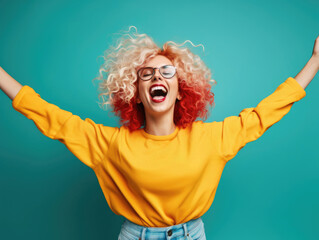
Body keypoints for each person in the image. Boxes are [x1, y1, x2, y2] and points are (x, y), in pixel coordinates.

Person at [1, 26, 318, 240]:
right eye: (146, 74)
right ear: (135, 93)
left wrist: (315, 62)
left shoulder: (210, 139)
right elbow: (50, 116)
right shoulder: (111, 144)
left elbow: (264, 114)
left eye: (167, 72)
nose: (157, 77)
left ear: (181, 91)